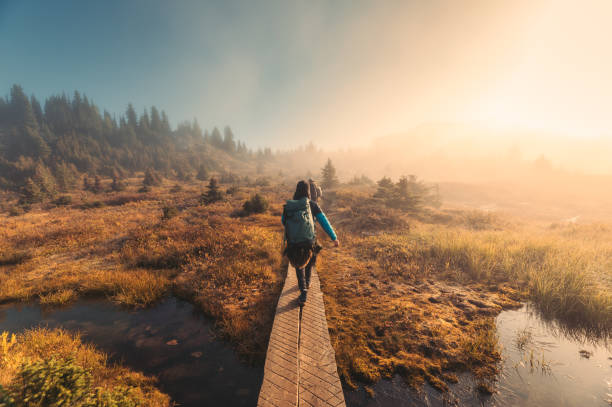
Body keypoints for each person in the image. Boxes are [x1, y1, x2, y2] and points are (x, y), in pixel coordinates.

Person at [282, 180, 339, 304]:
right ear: (308, 191)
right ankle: (307, 284)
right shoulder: (312, 205)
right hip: (309, 241)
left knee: (298, 265)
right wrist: (334, 237)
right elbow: (324, 221)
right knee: (309, 263)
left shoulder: (289, 206)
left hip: (293, 242)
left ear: (296, 190)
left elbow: (283, 221)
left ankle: (303, 292)